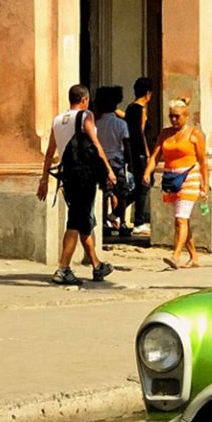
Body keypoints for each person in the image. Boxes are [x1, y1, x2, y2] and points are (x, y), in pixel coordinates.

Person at [38, 85, 113, 285]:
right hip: (84, 175)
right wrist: (109, 170)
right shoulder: (85, 116)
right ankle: (63, 268)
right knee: (75, 221)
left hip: (67, 176)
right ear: (84, 100)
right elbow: (96, 144)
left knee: (82, 220)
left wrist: (44, 179)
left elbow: (49, 152)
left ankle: (97, 266)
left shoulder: (57, 120)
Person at [144, 98, 207, 270]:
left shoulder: (195, 134)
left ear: (186, 116)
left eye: (177, 116)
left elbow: (203, 161)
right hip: (171, 179)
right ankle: (194, 256)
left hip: (190, 178)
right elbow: (156, 155)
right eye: (171, 116)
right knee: (181, 220)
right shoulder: (165, 133)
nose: (173, 120)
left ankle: (176, 255)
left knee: (181, 219)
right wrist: (147, 171)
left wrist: (205, 185)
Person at [92, 83, 131, 238]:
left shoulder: (96, 124)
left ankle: (103, 223)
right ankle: (121, 222)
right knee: (121, 194)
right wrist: (129, 160)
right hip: (117, 161)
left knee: (104, 193)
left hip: (101, 161)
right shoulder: (121, 124)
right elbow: (126, 144)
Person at [123, 76, 154, 235]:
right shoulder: (140, 109)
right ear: (148, 93)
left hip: (133, 151)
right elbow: (141, 133)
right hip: (141, 152)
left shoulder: (130, 108)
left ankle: (116, 212)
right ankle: (139, 221)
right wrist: (148, 153)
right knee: (144, 185)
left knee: (139, 186)